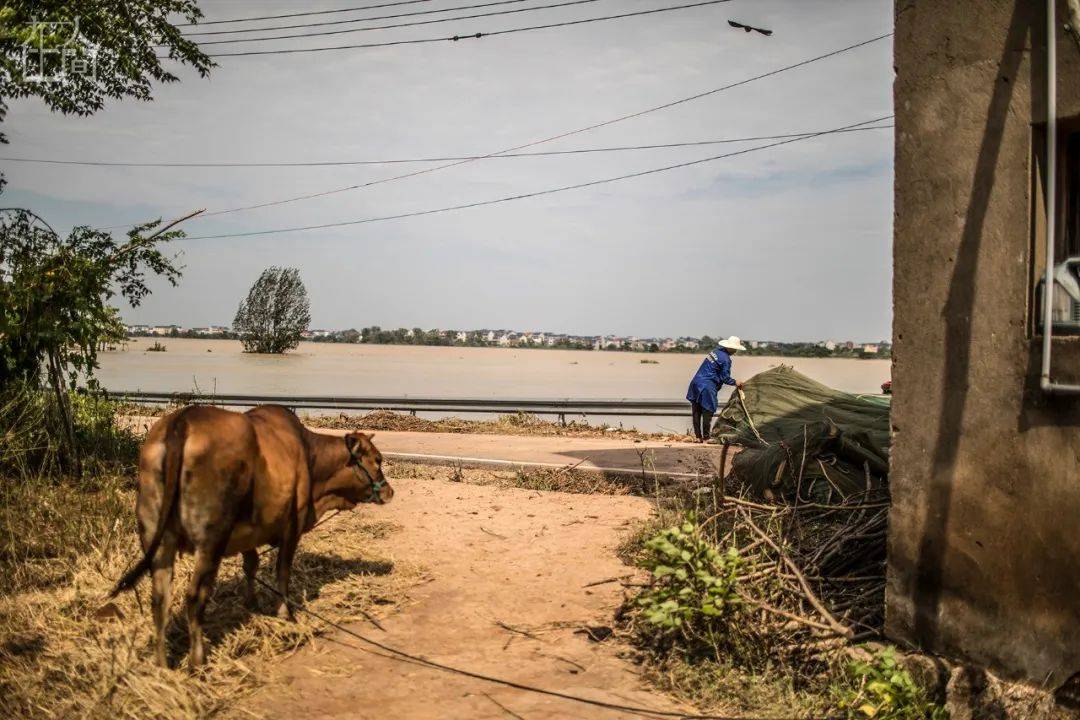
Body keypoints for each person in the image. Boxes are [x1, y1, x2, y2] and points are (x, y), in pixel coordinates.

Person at [685, 336, 746, 442]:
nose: (735, 351)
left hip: (696, 382)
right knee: (708, 410)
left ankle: (698, 437)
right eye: (735, 349)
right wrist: (735, 382)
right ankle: (707, 437)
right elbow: (725, 378)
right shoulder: (726, 360)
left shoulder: (715, 352)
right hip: (707, 385)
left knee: (696, 411)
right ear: (731, 348)